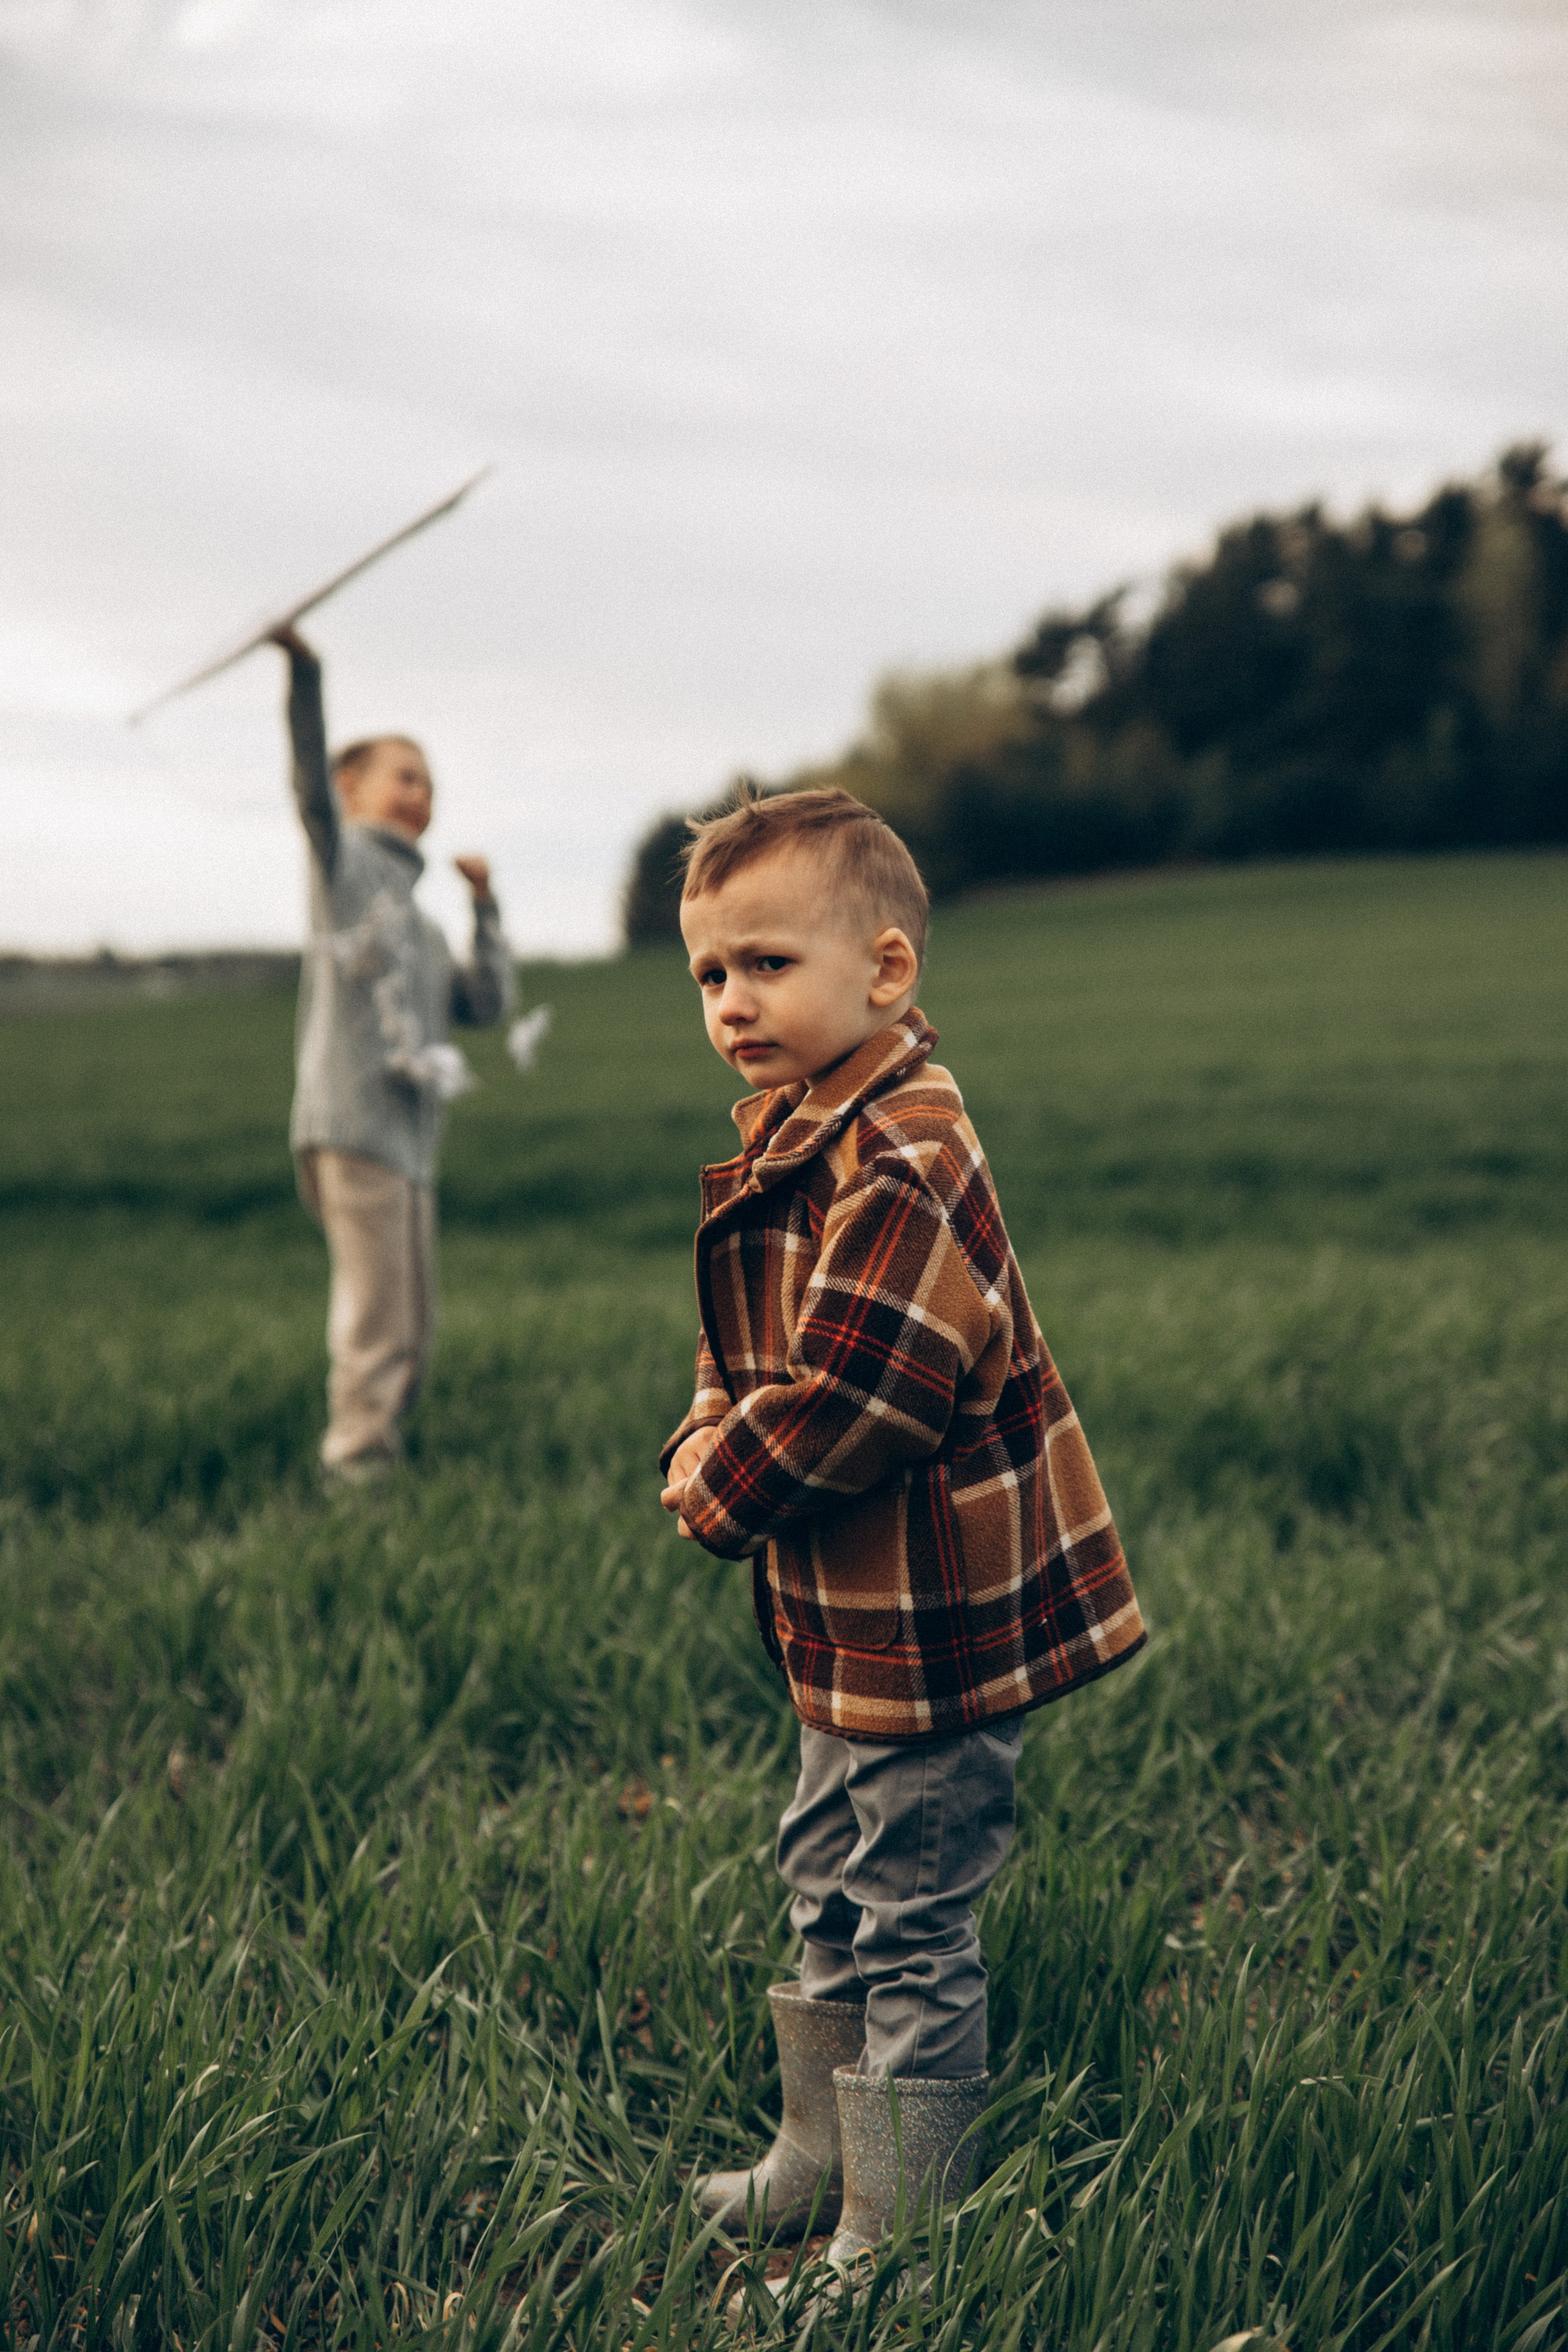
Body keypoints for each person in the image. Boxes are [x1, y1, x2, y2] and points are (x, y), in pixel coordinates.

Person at [659, 786, 1144, 2271]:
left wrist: (716, 1486)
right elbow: (750, 1343)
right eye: (709, 976)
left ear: (884, 972)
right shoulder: (805, 1133)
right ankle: (817, 2149)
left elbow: (864, 1395)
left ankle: (905, 2217)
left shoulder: (907, 1157)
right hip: (848, 1612)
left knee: (910, 1906)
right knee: (822, 1859)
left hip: (934, 1619)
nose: (733, 1001)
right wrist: (705, 1423)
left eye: (766, 963)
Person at [269, 625, 513, 1481]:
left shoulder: (423, 921)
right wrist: (306, 677)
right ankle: (358, 1468)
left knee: (413, 1319)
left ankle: (386, 1450)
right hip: (353, 1126)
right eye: (404, 777)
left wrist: (485, 909)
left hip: (412, 1142)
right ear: (353, 786)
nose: (421, 796)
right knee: (376, 1317)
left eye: (430, 786)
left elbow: (489, 1007)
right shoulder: (345, 877)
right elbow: (308, 795)